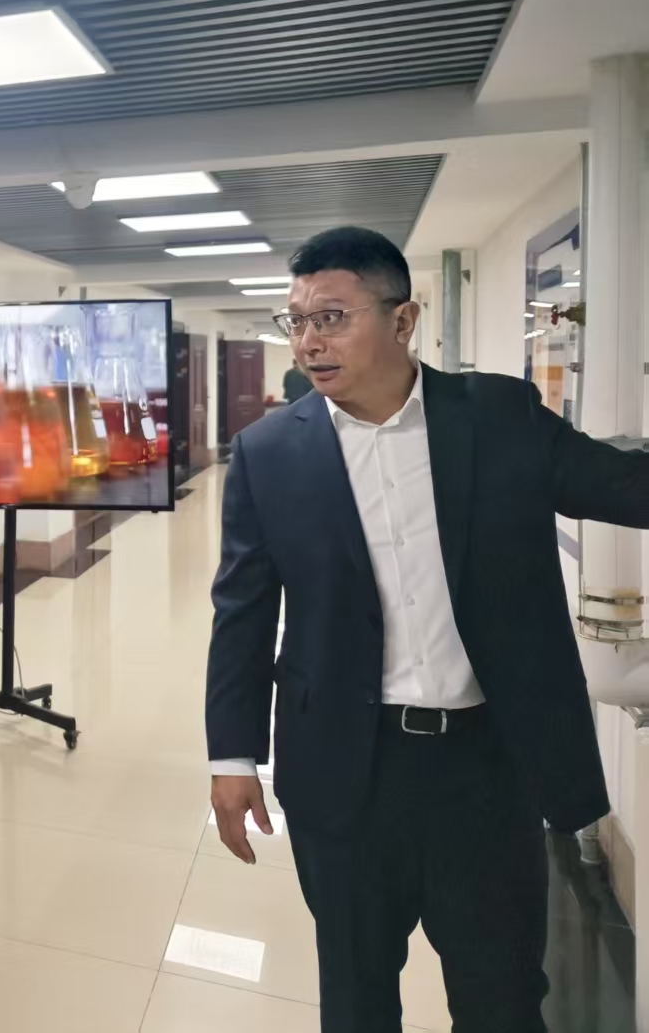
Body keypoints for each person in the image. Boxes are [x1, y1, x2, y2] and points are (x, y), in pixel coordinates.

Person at [207, 226, 649, 1033]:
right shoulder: (268, 453)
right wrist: (233, 756)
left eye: (331, 317)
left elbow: (620, 483)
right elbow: (242, 613)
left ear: (403, 320)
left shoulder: (498, 416)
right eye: (296, 320)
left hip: (484, 769)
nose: (308, 341)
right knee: (356, 998)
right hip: (344, 768)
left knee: (502, 999)